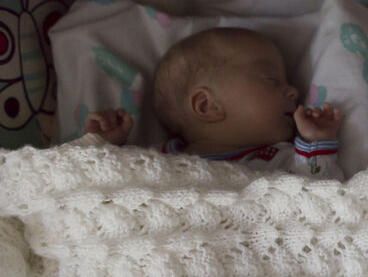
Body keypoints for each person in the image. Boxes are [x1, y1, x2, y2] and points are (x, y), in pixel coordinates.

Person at [78, 27, 343, 179]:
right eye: (272, 80)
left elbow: (318, 194)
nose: (294, 91)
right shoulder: (157, 158)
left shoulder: (280, 158)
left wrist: (315, 142)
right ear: (207, 105)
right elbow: (103, 185)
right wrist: (102, 146)